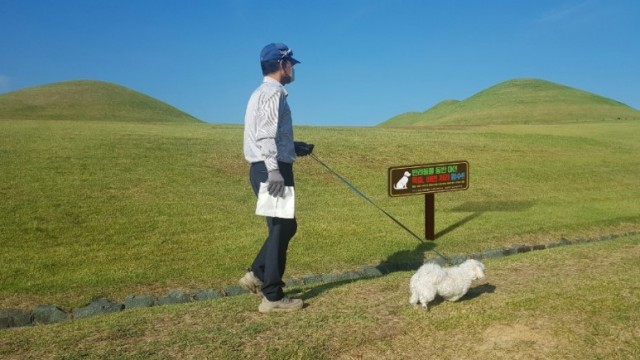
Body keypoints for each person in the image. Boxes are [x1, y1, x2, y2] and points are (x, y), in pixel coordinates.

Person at [240, 42, 313, 313]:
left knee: (285, 226)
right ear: (282, 65)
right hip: (272, 170)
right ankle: (272, 297)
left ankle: (257, 274)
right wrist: (274, 170)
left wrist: (295, 147)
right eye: (291, 63)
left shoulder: (259, 93)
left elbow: (268, 134)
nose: (293, 68)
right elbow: (265, 136)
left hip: (267, 165)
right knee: (281, 227)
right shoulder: (274, 94)